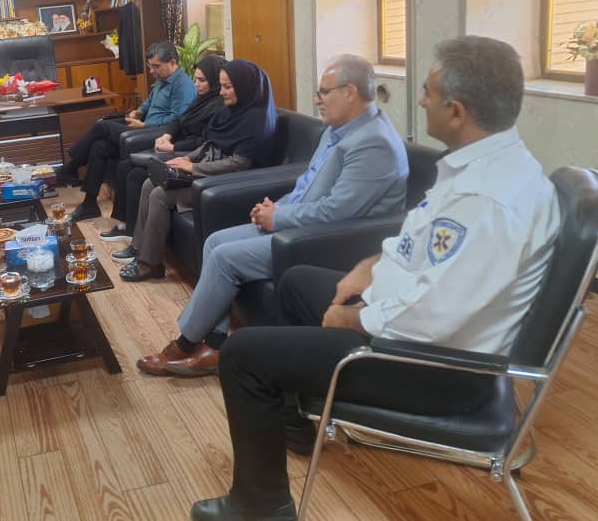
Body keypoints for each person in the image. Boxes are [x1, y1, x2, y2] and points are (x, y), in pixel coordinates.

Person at [194, 35, 560, 521]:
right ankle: (294, 420)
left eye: (428, 92)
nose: (421, 101)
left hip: (434, 368)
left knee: (243, 354)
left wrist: (353, 319)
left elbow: (434, 317)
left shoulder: (490, 200)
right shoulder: (481, 167)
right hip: (415, 325)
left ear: (457, 111)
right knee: (298, 281)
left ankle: (259, 506)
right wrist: (369, 270)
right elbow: (419, 247)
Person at [138, 54, 408, 377]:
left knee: (224, 258)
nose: (317, 100)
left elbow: (338, 212)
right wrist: (274, 207)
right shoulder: (336, 130)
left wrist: (279, 219)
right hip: (298, 221)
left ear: (350, 93)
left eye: (323, 92)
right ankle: (215, 343)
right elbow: (307, 186)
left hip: (323, 240)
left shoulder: (374, 144)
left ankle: (186, 343)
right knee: (215, 242)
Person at [114, 60, 279, 282]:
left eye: (228, 87)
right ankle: (139, 248)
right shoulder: (230, 110)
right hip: (209, 171)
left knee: (161, 194)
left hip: (229, 182)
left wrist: (193, 167)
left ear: (245, 86)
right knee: (149, 183)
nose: (221, 92)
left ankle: (149, 264)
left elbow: (239, 164)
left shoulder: (257, 120)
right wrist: (188, 157)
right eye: (221, 86)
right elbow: (211, 143)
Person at [59, 41, 197, 220]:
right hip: (144, 127)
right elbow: (149, 103)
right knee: (99, 146)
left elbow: (178, 120)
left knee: (102, 126)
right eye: (150, 66)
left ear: (172, 63)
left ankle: (71, 168)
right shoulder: (162, 80)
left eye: (156, 67)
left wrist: (145, 126)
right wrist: (139, 111)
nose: (151, 71)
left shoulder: (183, 85)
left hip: (157, 135)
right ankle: (89, 204)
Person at [100, 54, 226, 242]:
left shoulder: (218, 106)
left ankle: (132, 230)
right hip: (178, 145)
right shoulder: (201, 99)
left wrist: (173, 146)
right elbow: (179, 120)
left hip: (188, 152)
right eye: (195, 79)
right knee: (124, 165)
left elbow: (203, 141)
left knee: (136, 174)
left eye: (201, 80)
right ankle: (124, 223)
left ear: (214, 81)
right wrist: (166, 135)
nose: (196, 84)